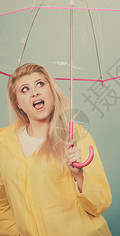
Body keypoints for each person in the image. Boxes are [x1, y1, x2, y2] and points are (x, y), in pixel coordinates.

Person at [0, 63, 112, 236]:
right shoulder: (4, 142)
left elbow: (101, 203)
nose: (35, 92)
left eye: (40, 84)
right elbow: (2, 203)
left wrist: (78, 175)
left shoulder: (75, 136)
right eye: (24, 89)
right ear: (18, 103)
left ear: (51, 91)